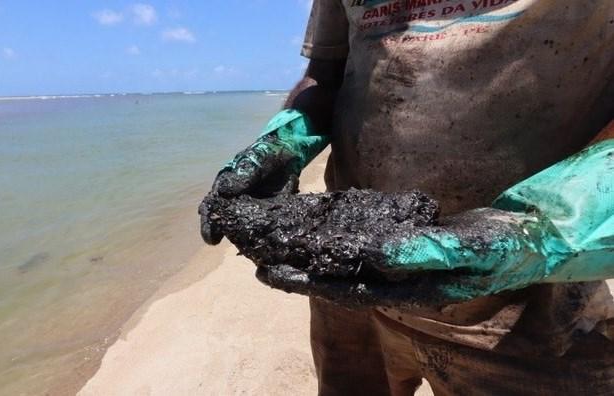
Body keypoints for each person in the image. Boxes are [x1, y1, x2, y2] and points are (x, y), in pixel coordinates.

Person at [201, 1, 614, 394]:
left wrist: (543, 232)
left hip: (526, 309)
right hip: (345, 282)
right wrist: (285, 139)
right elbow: (327, 73)